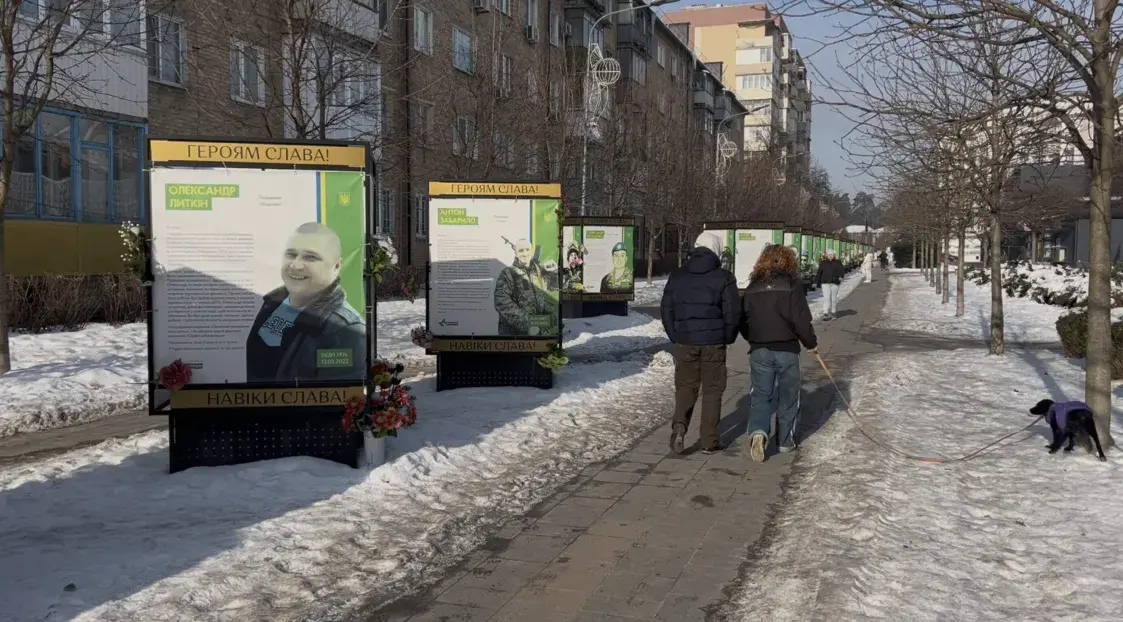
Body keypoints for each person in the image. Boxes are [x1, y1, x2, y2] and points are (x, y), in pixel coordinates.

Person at [246, 222, 366, 382]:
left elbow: (334, 400)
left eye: (310, 257)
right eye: (291, 254)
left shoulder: (346, 331)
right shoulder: (272, 306)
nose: (296, 265)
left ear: (336, 266)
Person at [661, 232, 741, 455]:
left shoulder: (677, 276)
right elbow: (733, 312)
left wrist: (675, 335)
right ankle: (708, 440)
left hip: (686, 341)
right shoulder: (724, 277)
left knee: (686, 387)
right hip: (714, 342)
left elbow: (666, 308)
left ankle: (679, 427)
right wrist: (728, 336)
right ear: (716, 251)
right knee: (713, 390)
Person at [740, 245, 819, 463]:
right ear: (788, 261)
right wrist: (810, 343)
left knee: (760, 394)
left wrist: (752, 337)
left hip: (759, 349)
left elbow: (743, 318)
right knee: (788, 396)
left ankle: (758, 432)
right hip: (787, 348)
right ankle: (785, 442)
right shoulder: (792, 285)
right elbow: (801, 319)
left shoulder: (752, 287)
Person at [494, 238, 559, 336]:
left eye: (527, 250)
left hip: (539, 334)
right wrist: (529, 323)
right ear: (516, 254)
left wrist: (550, 317)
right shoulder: (508, 274)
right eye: (521, 250)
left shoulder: (537, 272)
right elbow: (502, 303)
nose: (525, 254)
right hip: (516, 336)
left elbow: (547, 293)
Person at [816, 248, 845, 320]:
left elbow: (842, 271)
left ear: (834, 255)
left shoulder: (838, 262)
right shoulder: (823, 263)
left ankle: (833, 312)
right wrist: (816, 282)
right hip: (825, 283)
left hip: (835, 282)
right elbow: (819, 272)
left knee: (833, 298)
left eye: (831, 255)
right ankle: (825, 313)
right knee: (826, 298)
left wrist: (841, 277)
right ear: (827, 255)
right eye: (829, 255)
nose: (830, 256)